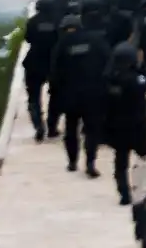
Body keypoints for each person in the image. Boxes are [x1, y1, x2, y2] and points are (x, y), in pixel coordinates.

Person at [49, 13, 111, 177]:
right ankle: (90, 162)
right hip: (93, 94)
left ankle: (72, 161)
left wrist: (57, 94)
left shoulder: (62, 44)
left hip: (70, 95)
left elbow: (54, 72)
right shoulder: (96, 41)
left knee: (71, 129)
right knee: (92, 130)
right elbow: (108, 62)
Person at [103, 43, 146, 206]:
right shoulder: (134, 78)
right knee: (144, 157)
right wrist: (144, 67)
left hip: (117, 125)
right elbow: (145, 83)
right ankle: (142, 189)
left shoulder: (109, 78)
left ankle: (124, 192)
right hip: (137, 124)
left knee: (120, 161)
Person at [23, 0, 61, 141]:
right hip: (53, 64)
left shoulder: (32, 22)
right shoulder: (58, 21)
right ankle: (52, 127)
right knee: (56, 96)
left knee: (33, 98)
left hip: (34, 63)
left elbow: (28, 39)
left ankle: (39, 126)